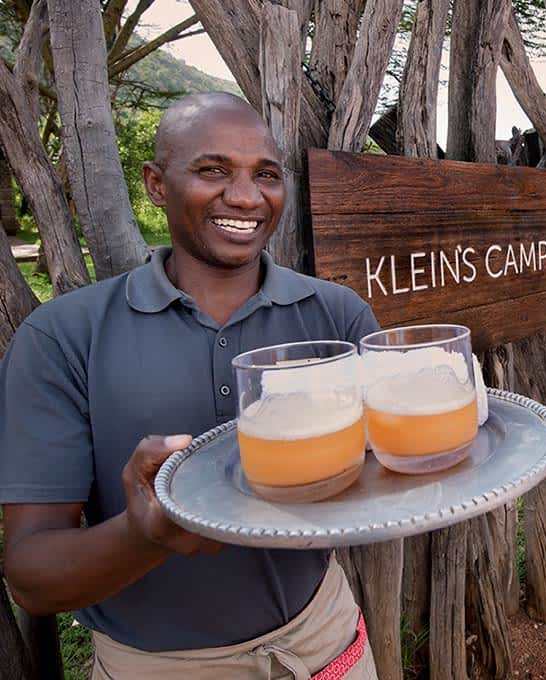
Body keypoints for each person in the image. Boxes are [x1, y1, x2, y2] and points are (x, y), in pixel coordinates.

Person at [0, 92, 379, 679]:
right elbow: (30, 576)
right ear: (156, 184)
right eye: (213, 170)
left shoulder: (337, 318)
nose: (248, 196)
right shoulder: (65, 338)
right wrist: (143, 536)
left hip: (327, 645)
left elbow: (381, 475)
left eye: (267, 175)